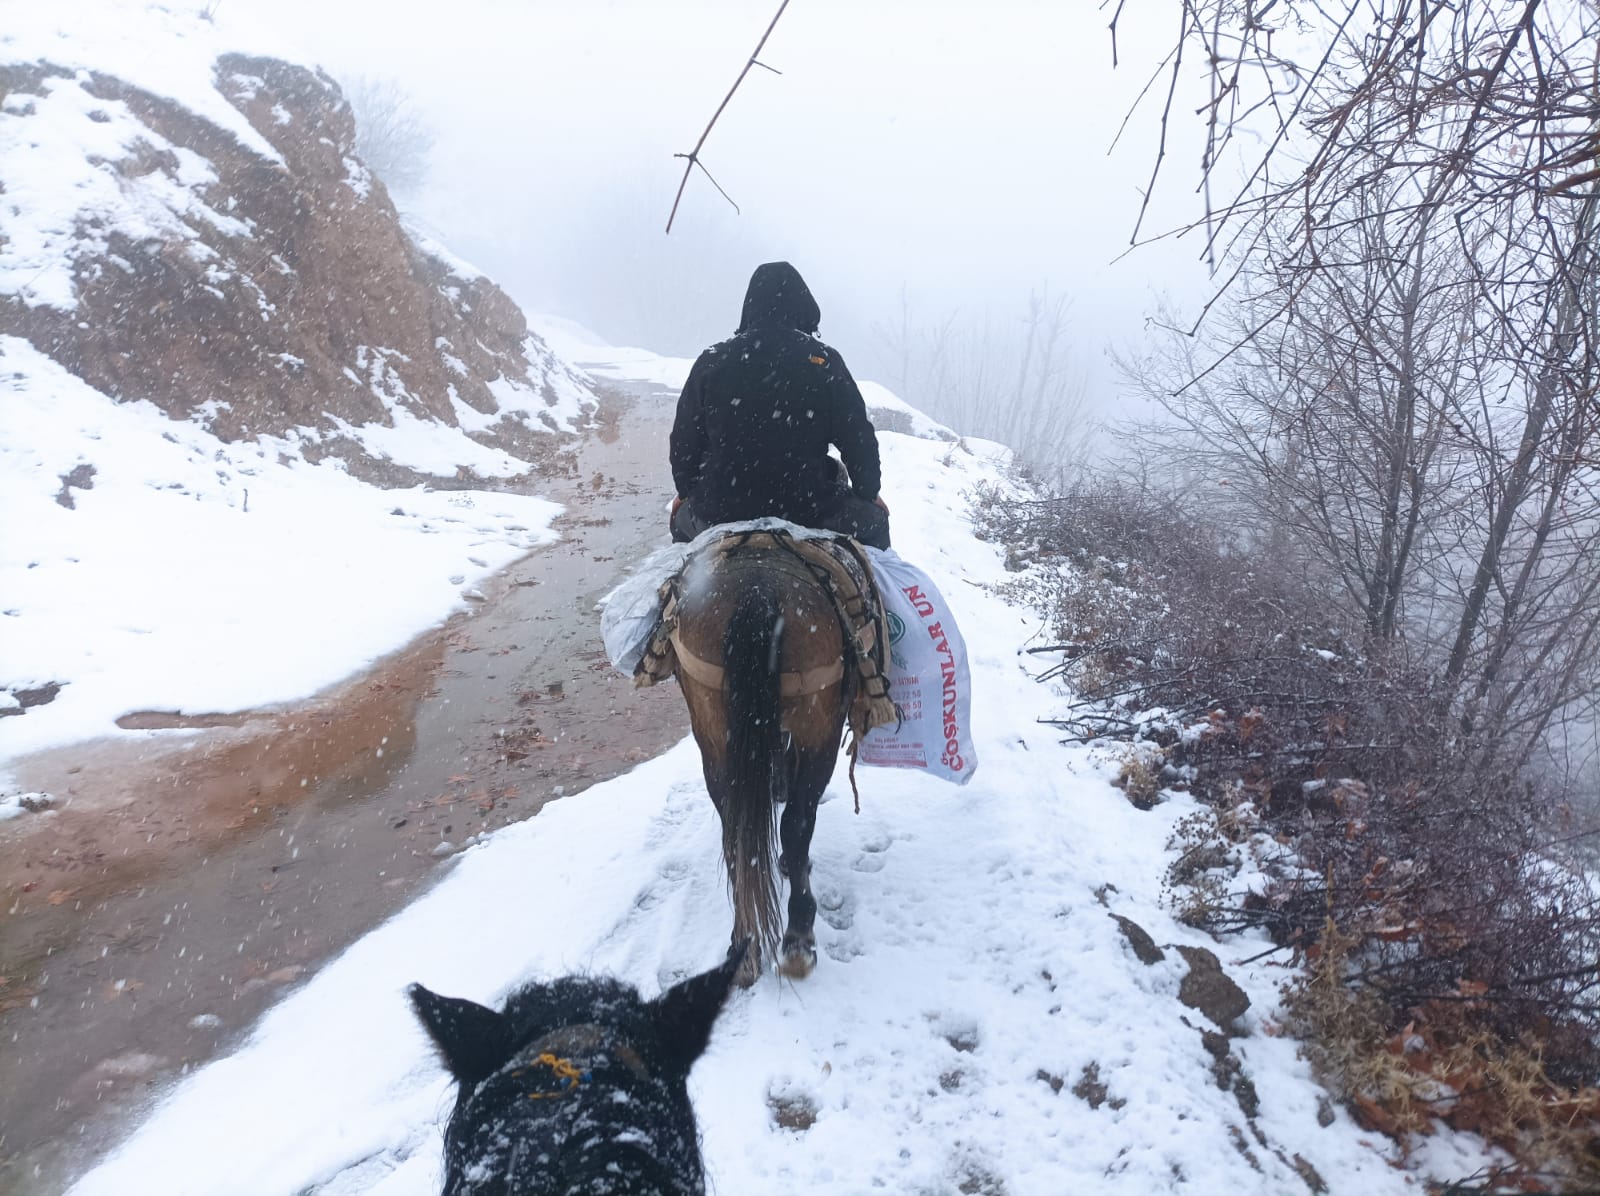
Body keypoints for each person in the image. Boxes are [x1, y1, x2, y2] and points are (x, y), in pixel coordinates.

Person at [669, 261, 891, 549]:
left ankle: (673, 587)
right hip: (811, 509)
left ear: (750, 306)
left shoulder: (713, 360)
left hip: (719, 509)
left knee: (679, 534)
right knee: (876, 524)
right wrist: (868, 491)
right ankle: (884, 592)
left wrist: (687, 492)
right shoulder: (824, 362)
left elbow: (684, 442)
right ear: (804, 306)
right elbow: (858, 439)